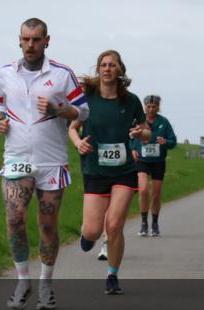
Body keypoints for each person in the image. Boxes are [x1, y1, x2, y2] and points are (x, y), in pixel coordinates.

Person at [0, 18, 89, 310]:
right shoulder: (6, 73)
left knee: (47, 224)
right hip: (17, 158)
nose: (30, 45)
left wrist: (61, 109)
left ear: (47, 41)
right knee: (14, 219)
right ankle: (23, 280)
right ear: (19, 40)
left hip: (51, 160)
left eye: (36, 40)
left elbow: (83, 112)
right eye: (25, 39)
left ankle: (46, 283)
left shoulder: (62, 75)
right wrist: (0, 121)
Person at [70, 50, 149, 295]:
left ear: (120, 70)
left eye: (112, 65)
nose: (107, 69)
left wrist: (139, 134)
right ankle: (88, 235)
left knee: (114, 225)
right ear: (98, 70)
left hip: (124, 171)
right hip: (95, 169)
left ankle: (112, 276)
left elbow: (146, 132)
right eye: (103, 65)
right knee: (93, 230)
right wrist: (78, 143)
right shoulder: (87, 98)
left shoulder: (131, 100)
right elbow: (73, 127)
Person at [131, 94, 177, 237]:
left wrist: (166, 142)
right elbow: (129, 136)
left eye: (154, 106)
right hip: (142, 161)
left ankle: (155, 223)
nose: (151, 109)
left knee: (156, 194)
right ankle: (144, 222)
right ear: (145, 106)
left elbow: (173, 141)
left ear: (158, 107)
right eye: (148, 106)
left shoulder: (164, 122)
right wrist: (132, 149)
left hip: (158, 162)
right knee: (143, 190)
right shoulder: (138, 121)